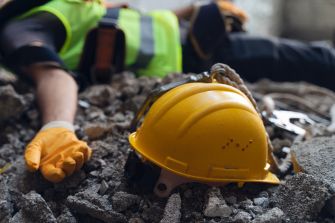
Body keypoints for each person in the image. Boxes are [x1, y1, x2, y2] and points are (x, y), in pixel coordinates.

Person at [0, 0, 334, 183]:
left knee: (301, 58)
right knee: (309, 58)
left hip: (189, 35)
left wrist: (193, 11)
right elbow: (52, 77)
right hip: (188, 53)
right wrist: (56, 124)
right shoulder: (22, 28)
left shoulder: (47, 7)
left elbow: (120, 23)